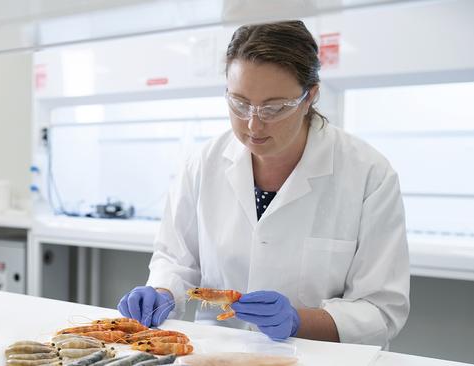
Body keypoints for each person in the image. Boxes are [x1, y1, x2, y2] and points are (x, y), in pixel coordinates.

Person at [117, 20, 409, 347]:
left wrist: (299, 320)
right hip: (217, 352)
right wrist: (161, 291)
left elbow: (382, 310)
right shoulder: (203, 164)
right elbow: (176, 261)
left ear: (310, 96)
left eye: (274, 108)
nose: (254, 124)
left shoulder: (368, 174)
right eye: (239, 103)